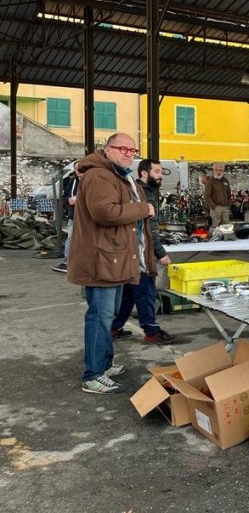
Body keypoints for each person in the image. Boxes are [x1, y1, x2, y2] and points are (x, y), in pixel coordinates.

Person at [68, 133, 155, 395]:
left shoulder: (115, 175)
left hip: (113, 258)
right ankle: (93, 375)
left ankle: (104, 365)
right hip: (101, 260)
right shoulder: (99, 175)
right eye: (122, 148)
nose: (129, 153)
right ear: (107, 150)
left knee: (108, 316)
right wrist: (144, 209)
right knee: (99, 318)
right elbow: (106, 212)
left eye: (133, 150)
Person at [110, 159, 178, 346]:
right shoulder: (142, 193)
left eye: (161, 172)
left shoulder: (145, 190)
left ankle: (114, 328)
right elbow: (150, 228)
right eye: (157, 172)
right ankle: (151, 331)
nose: (161, 175)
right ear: (144, 173)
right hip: (140, 251)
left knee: (130, 293)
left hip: (133, 250)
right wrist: (160, 253)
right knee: (146, 292)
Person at [53, 161, 81, 273]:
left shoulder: (92, 181)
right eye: (77, 169)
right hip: (73, 214)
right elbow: (64, 196)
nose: (78, 172)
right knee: (70, 238)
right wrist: (68, 200)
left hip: (88, 216)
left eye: (80, 169)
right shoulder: (72, 181)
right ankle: (67, 262)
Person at [203, 162, 231, 227]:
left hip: (225, 208)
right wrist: (213, 206)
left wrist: (228, 205)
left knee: (226, 227)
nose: (218, 172)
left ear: (223, 171)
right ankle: (214, 237)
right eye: (216, 170)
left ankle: (224, 237)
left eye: (220, 170)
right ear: (214, 170)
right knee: (215, 226)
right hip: (216, 208)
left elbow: (229, 194)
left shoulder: (225, 181)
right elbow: (206, 195)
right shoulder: (211, 181)